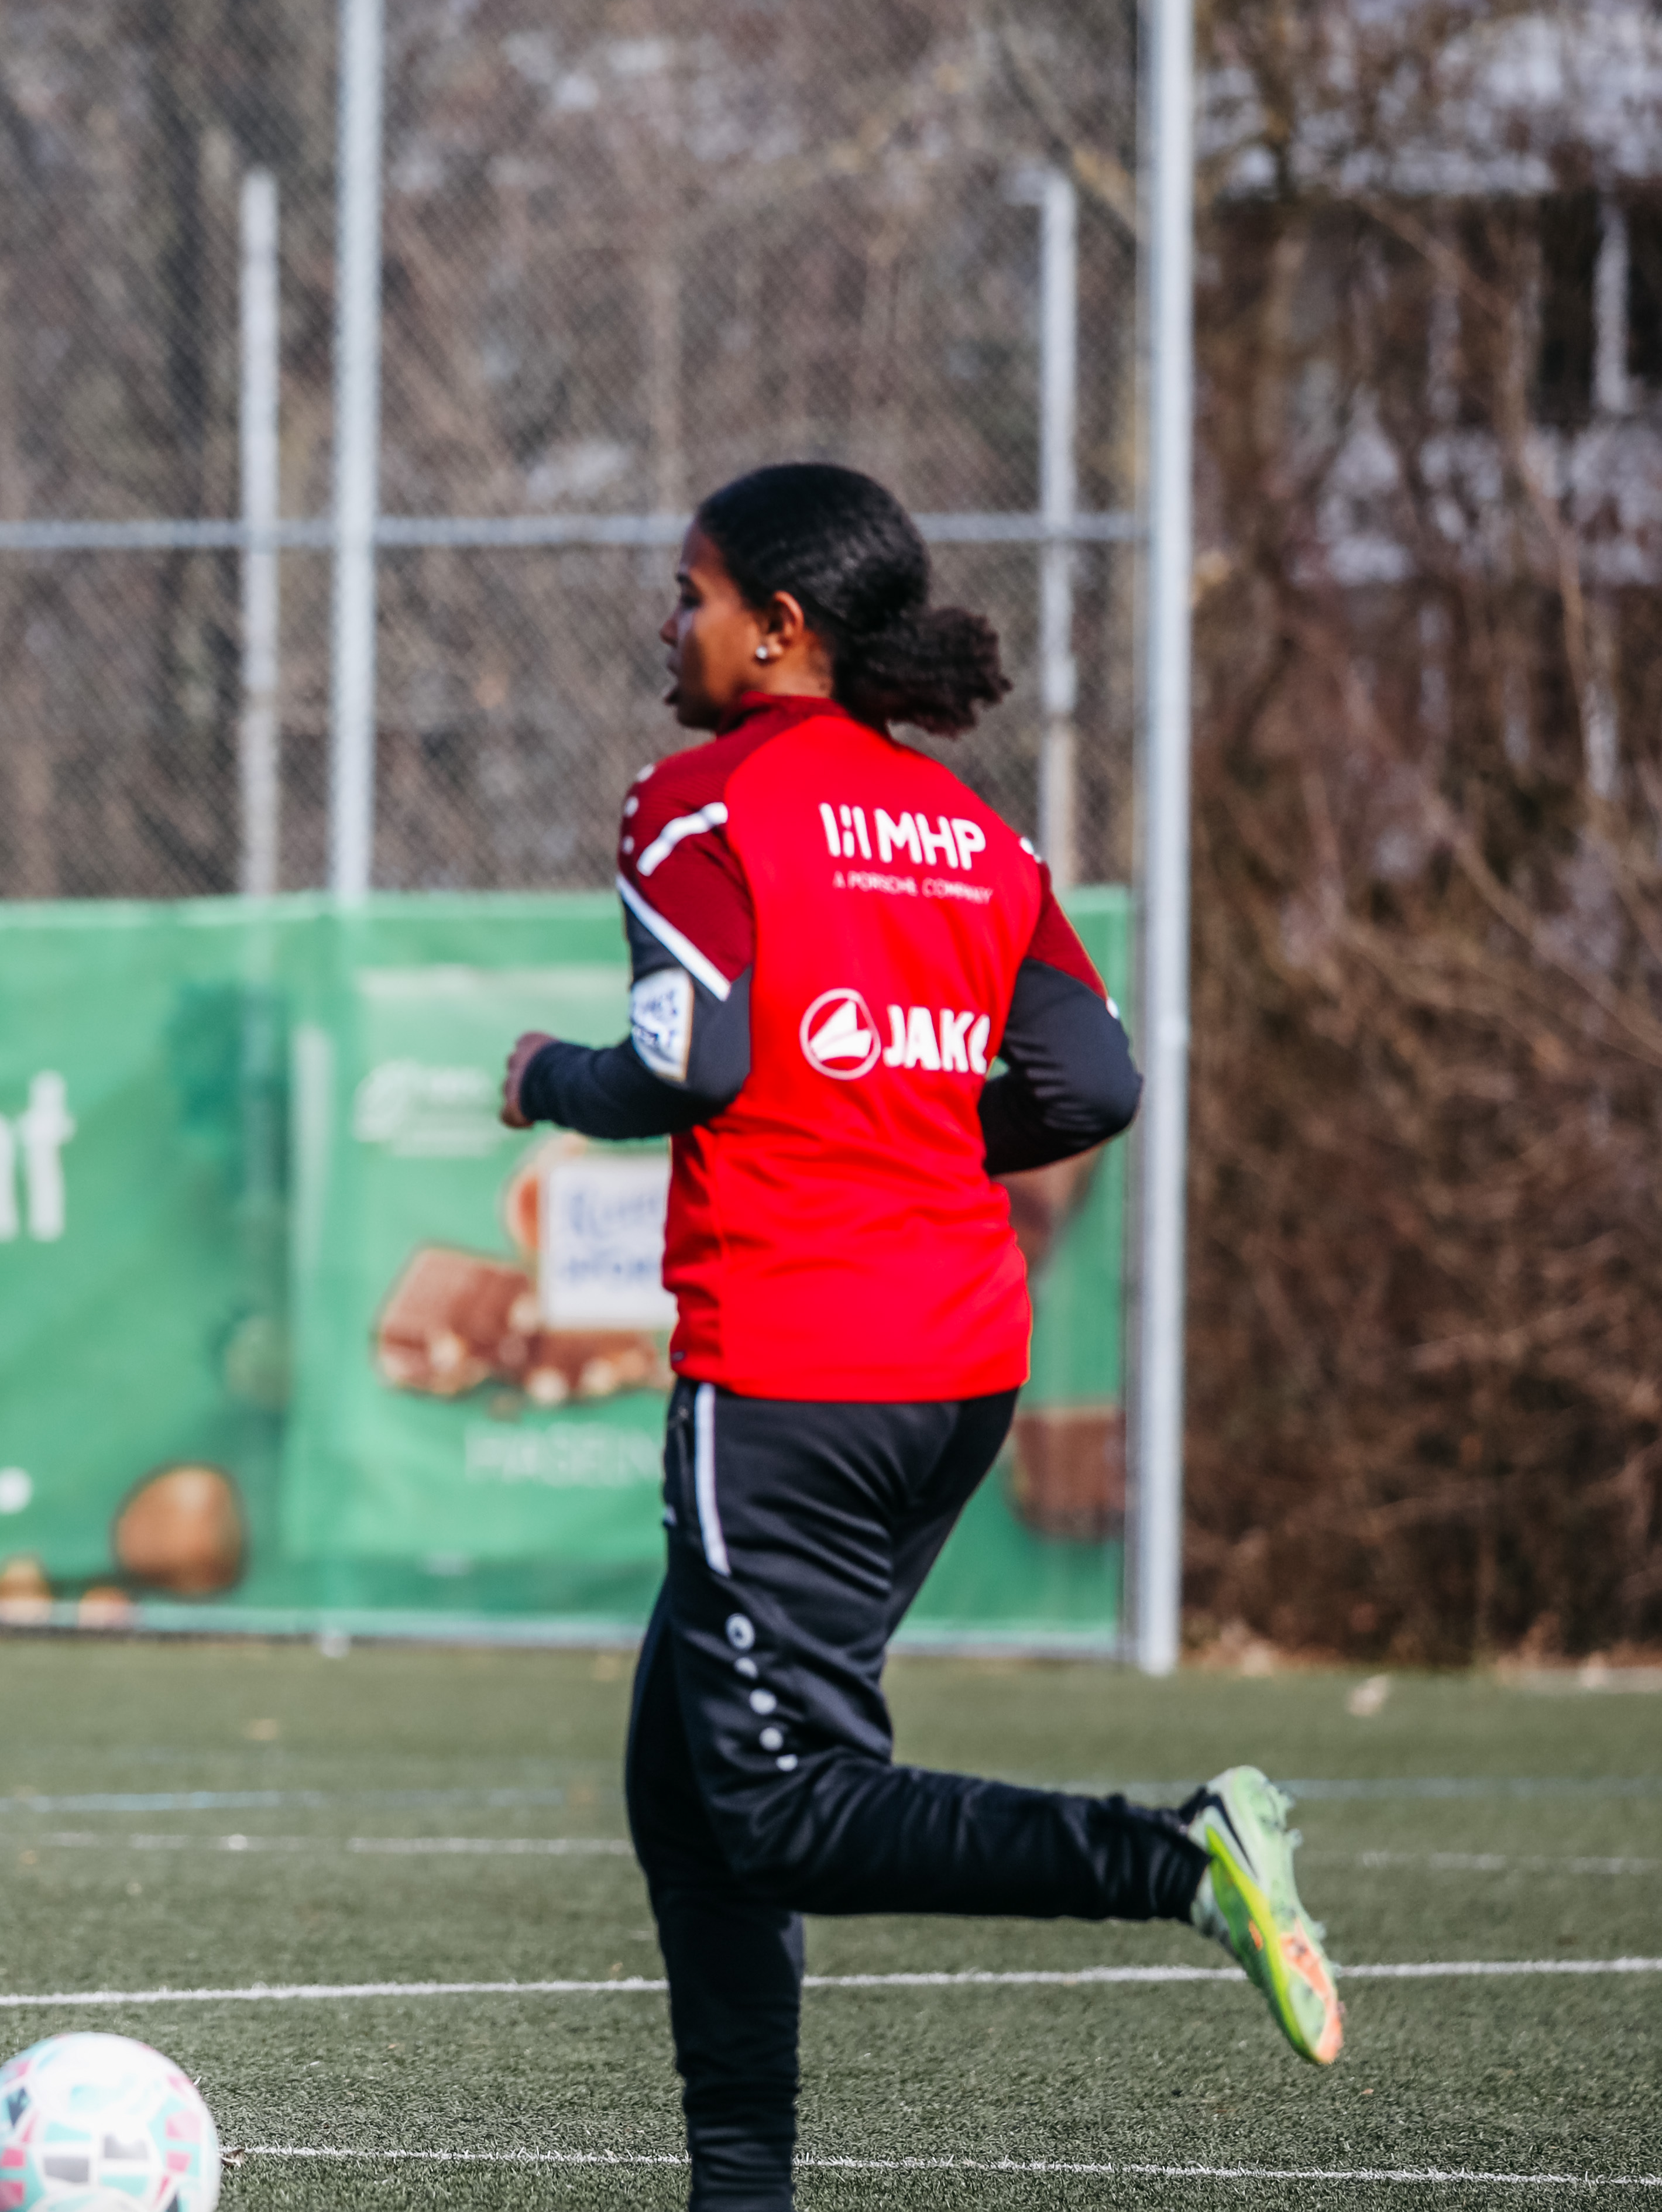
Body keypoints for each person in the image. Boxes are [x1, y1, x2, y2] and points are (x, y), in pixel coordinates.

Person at [499, 462, 1338, 2210]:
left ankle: (1177, 1855)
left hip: (796, 1361)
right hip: (957, 1365)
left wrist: (546, 1079)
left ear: (782, 629)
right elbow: (1091, 1080)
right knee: (689, 1784)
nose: (674, 626)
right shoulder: (972, 830)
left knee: (787, 1801)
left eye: (693, 595)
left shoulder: (698, 803)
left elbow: (691, 1063)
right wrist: (906, 1128)